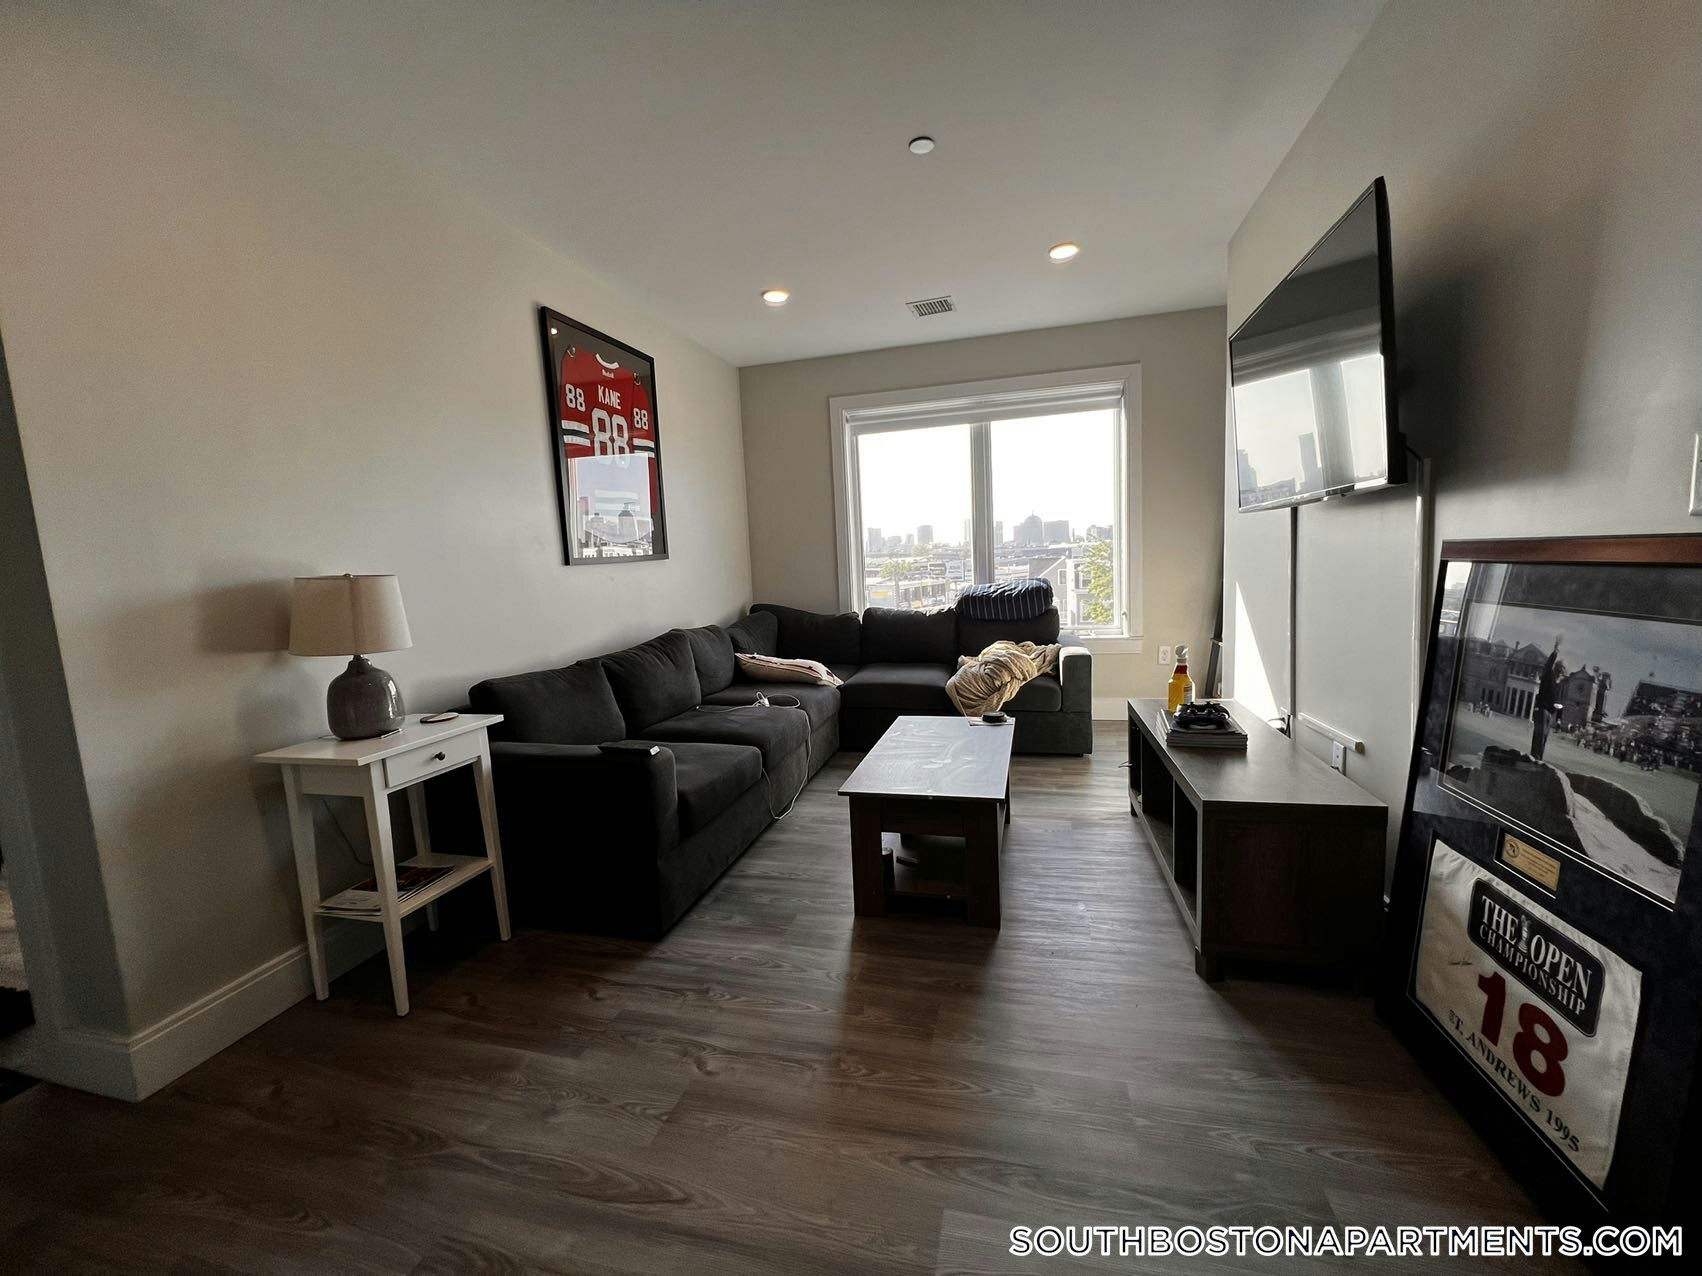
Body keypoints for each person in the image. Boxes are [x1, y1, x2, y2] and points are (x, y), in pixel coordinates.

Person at [1531, 636, 1565, 761]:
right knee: (1539, 735)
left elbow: (1558, 703)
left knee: (1544, 736)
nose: (1560, 673)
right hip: (1542, 710)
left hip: (1549, 713)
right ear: (1556, 669)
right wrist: (1556, 650)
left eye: (1562, 672)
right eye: (1559, 670)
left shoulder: (1557, 685)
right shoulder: (1548, 676)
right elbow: (1548, 664)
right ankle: (1535, 756)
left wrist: (1558, 716)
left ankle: (1539, 758)